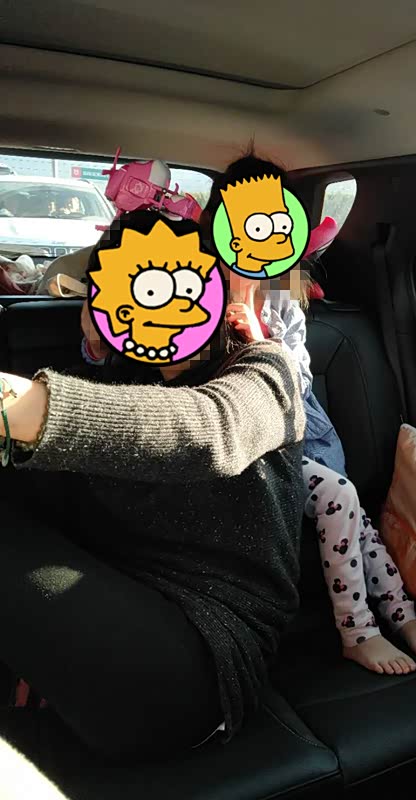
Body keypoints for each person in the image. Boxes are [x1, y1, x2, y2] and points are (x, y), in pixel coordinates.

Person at [0, 208, 306, 764]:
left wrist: (16, 410)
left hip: (205, 656)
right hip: (111, 601)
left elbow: (210, 431)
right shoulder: (117, 382)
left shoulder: (265, 372)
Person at [202, 153, 416, 676]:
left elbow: (297, 379)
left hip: (297, 425)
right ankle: (357, 631)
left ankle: (401, 615)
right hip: (243, 438)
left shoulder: (281, 295)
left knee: (356, 516)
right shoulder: (196, 291)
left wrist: (260, 336)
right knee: (340, 498)